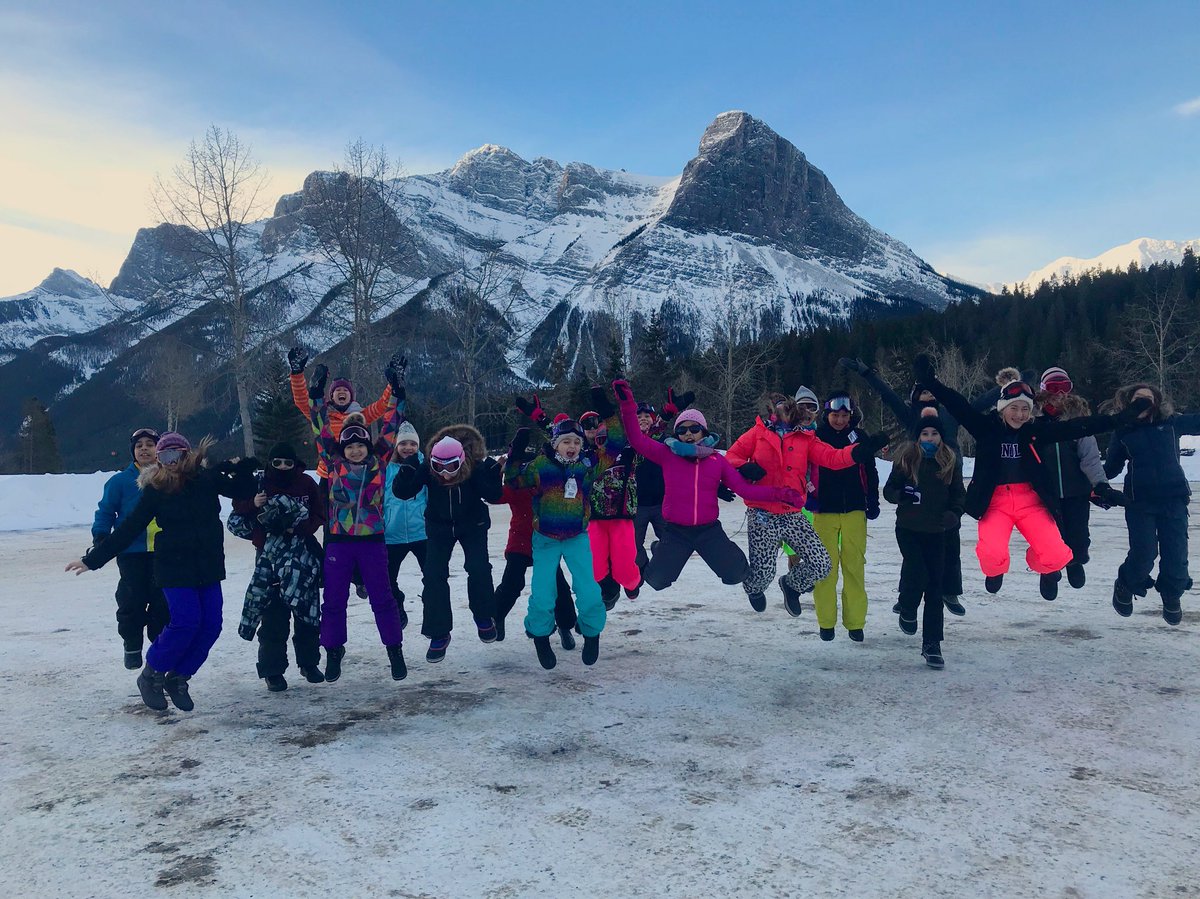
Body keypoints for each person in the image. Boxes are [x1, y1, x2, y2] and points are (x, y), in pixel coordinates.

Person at [912, 354, 1145, 597]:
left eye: (1025, 409)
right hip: (995, 503)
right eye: (1014, 408)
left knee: (1058, 556)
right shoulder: (985, 428)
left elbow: (1077, 427)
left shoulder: (1034, 431)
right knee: (992, 556)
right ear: (1003, 408)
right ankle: (996, 569)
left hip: (1030, 501)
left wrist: (1120, 419)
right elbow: (958, 405)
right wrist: (931, 382)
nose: (1020, 415)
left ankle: (1039, 561)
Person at [67, 433, 258, 711]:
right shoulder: (157, 489)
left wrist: (240, 469)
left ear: (186, 454)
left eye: (175, 454)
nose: (170, 462)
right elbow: (128, 528)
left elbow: (244, 490)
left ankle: (179, 677)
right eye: (164, 457)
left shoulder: (206, 480)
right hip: (173, 566)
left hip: (208, 566)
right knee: (185, 622)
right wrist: (92, 560)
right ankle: (151, 675)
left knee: (211, 625)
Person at [613, 380, 813, 593]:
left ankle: (728, 555)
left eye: (694, 428)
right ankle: (660, 550)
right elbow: (637, 439)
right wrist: (628, 405)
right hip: (676, 532)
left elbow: (745, 490)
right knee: (656, 581)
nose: (688, 433)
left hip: (708, 531)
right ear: (676, 433)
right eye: (682, 429)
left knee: (736, 574)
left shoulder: (716, 460)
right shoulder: (666, 454)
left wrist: (781, 493)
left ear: (704, 431)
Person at [727, 392, 887, 621]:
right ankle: (754, 588)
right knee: (763, 574)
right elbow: (731, 456)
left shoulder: (806, 438)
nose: (782, 414)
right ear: (771, 412)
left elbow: (833, 458)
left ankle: (791, 585)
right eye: (778, 409)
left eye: (787, 409)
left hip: (792, 513)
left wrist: (861, 450)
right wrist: (743, 466)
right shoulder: (757, 433)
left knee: (822, 564)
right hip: (762, 512)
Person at [838, 357, 967, 616]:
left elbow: (978, 406)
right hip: (918, 480)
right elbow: (888, 396)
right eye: (923, 392)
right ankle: (906, 597)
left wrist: (1007, 387)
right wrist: (867, 372)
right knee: (914, 552)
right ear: (916, 397)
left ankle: (950, 591)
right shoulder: (911, 417)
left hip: (946, 481)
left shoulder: (950, 413)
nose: (929, 396)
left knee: (950, 544)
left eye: (932, 392)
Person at [313, 355, 409, 683]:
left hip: (372, 541)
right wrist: (316, 396)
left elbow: (392, 425)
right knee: (334, 600)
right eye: (349, 445)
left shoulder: (378, 463)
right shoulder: (333, 464)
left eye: (360, 444)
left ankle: (394, 650)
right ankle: (333, 650)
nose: (355, 449)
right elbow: (320, 428)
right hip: (339, 542)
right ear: (342, 448)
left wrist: (397, 391)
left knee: (382, 598)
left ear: (368, 445)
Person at [391, 425, 503, 663]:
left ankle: (484, 616)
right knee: (433, 575)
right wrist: (407, 470)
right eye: (437, 467)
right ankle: (439, 632)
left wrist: (494, 475)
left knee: (478, 568)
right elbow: (403, 492)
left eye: (451, 467)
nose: (444, 473)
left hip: (472, 523)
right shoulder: (427, 469)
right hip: (439, 525)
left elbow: (493, 495)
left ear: (461, 461)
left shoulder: (474, 467)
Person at [506, 420, 605, 669]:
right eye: (566, 441)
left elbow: (612, 449)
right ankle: (540, 636)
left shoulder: (585, 466)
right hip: (546, 539)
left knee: (589, 590)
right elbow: (513, 479)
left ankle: (592, 633)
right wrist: (516, 451)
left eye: (576, 442)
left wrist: (609, 412)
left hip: (576, 537)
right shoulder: (540, 465)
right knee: (543, 593)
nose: (572, 446)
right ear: (555, 444)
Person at [229, 442, 324, 691]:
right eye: (277, 462)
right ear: (270, 463)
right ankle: (272, 670)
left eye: (287, 463)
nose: (282, 467)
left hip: (302, 552)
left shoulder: (306, 483)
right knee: (273, 615)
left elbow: (320, 512)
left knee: (307, 612)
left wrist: (299, 528)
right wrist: (254, 503)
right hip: (269, 556)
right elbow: (238, 509)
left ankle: (309, 663)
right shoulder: (259, 483)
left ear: (295, 464)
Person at [1103, 383, 1198, 625]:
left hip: (1173, 498)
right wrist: (1091, 482)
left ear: (1156, 403)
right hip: (1139, 501)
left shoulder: (1171, 423)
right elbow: (1111, 467)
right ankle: (1126, 583)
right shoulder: (1123, 430)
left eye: (1149, 398)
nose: (1144, 403)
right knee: (1144, 554)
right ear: (1129, 403)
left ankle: (1171, 594)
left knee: (1176, 555)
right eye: (1139, 399)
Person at [1034, 366, 1126, 595]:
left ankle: (1074, 560)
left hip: (1076, 490)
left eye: (1064, 387)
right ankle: (1049, 570)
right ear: (1043, 390)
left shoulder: (1077, 420)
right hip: (1044, 493)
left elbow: (1090, 458)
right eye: (1053, 387)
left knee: (1079, 537)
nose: (1059, 393)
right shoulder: (1033, 420)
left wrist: (1100, 484)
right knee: (1048, 537)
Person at [883, 417, 965, 669]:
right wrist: (900, 495)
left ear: (941, 437)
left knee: (935, 588)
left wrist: (954, 514)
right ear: (918, 437)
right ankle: (907, 607)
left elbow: (959, 495)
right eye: (925, 434)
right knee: (916, 571)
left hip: (938, 532)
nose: (930, 438)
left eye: (934, 434)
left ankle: (932, 644)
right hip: (908, 529)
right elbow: (889, 490)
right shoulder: (906, 459)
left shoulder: (949, 461)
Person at [91, 427, 170, 669]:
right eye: (139, 446)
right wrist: (101, 537)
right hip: (131, 553)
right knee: (131, 601)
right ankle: (132, 643)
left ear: (159, 450)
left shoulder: (168, 478)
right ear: (133, 451)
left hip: (164, 553)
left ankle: (158, 653)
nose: (144, 449)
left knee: (162, 604)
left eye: (150, 444)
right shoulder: (119, 482)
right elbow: (105, 511)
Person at [806, 391, 880, 641]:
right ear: (827, 414)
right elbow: (802, 470)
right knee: (825, 568)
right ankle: (826, 622)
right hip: (824, 510)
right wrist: (805, 495)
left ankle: (855, 622)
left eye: (844, 415)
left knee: (854, 567)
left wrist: (872, 500)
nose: (839, 420)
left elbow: (870, 470)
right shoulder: (815, 437)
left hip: (854, 509)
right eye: (835, 415)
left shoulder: (859, 437)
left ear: (851, 416)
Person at [493, 434, 578, 648]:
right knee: (512, 584)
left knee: (558, 587)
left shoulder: (547, 486)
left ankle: (565, 626)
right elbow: (495, 496)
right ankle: (496, 617)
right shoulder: (516, 488)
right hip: (520, 544)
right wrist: (496, 471)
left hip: (546, 544)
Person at [383, 421, 428, 628]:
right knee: (387, 579)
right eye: (403, 443)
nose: (408, 448)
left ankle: (431, 608)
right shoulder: (386, 469)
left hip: (422, 534)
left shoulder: (425, 467)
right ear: (396, 445)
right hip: (393, 535)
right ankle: (397, 605)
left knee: (433, 577)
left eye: (413, 444)